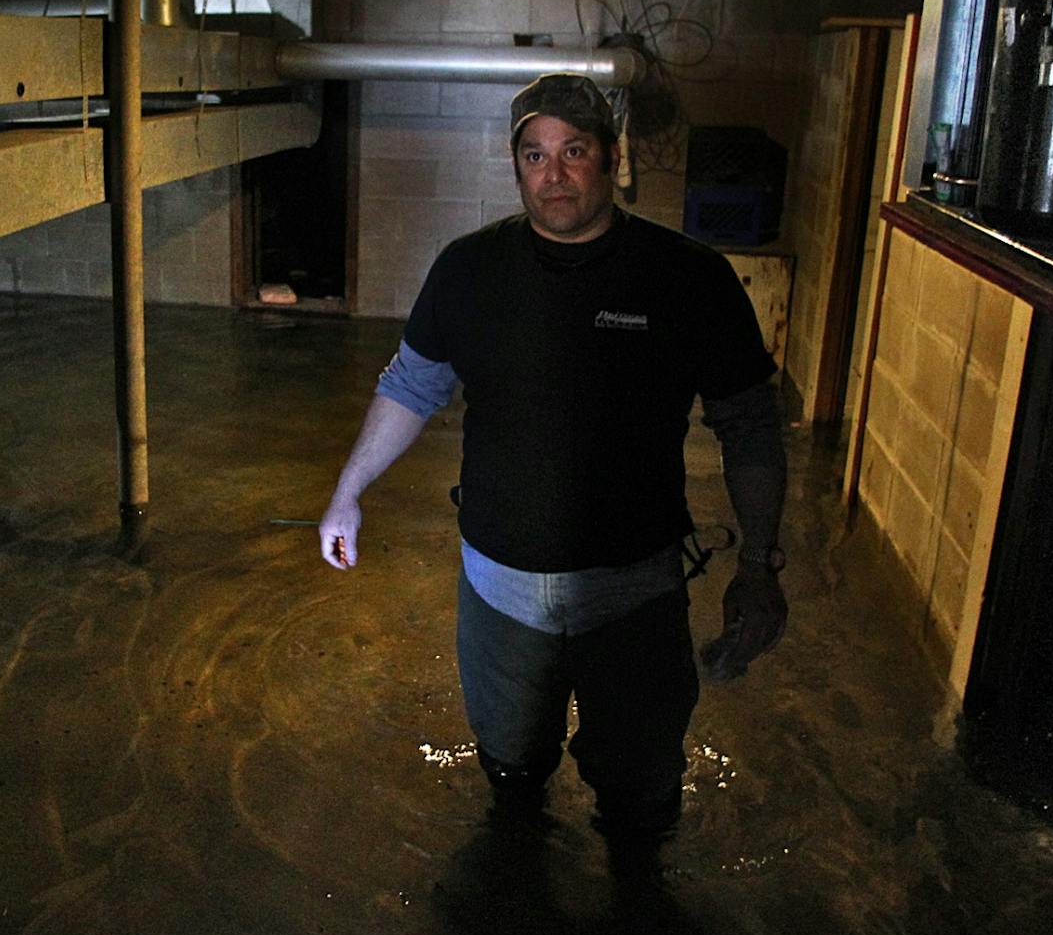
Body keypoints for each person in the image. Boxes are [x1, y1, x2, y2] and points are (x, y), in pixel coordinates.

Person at [317, 72, 787, 839]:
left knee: (640, 793)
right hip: (498, 584)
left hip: (632, 586)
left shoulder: (685, 277)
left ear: (610, 158)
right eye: (534, 156)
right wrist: (349, 490)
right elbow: (412, 384)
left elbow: (749, 423)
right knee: (510, 769)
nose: (554, 173)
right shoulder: (470, 269)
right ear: (515, 167)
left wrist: (760, 564)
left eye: (573, 151)